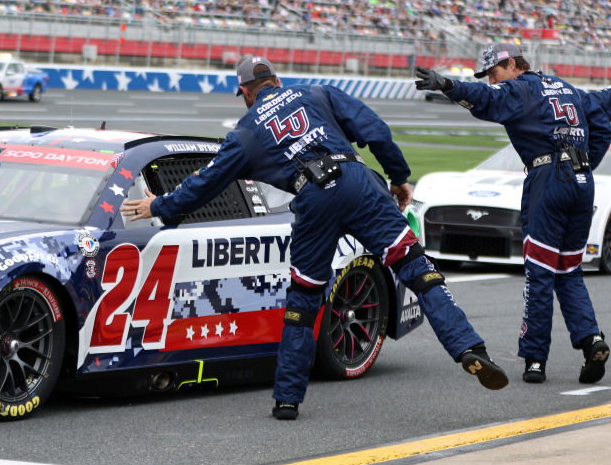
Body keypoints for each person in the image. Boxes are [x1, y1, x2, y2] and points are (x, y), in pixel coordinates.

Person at [122, 55, 507, 421]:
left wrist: (161, 207)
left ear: (249, 92)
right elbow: (376, 131)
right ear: (276, 81)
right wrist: (399, 176)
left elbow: (205, 184)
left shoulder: (244, 133)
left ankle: (287, 399)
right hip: (359, 183)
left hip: (314, 196)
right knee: (416, 269)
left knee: (304, 299)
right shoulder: (317, 92)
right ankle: (470, 348)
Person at [416, 43, 611, 385]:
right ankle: (592, 340)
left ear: (510, 64)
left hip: (548, 179)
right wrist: (586, 161)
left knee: (539, 272)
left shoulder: (521, 88)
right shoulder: (567, 89)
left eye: (493, 73)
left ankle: (535, 360)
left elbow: (486, 99)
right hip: (582, 183)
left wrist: (448, 85)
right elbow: (603, 113)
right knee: (569, 270)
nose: (493, 81)